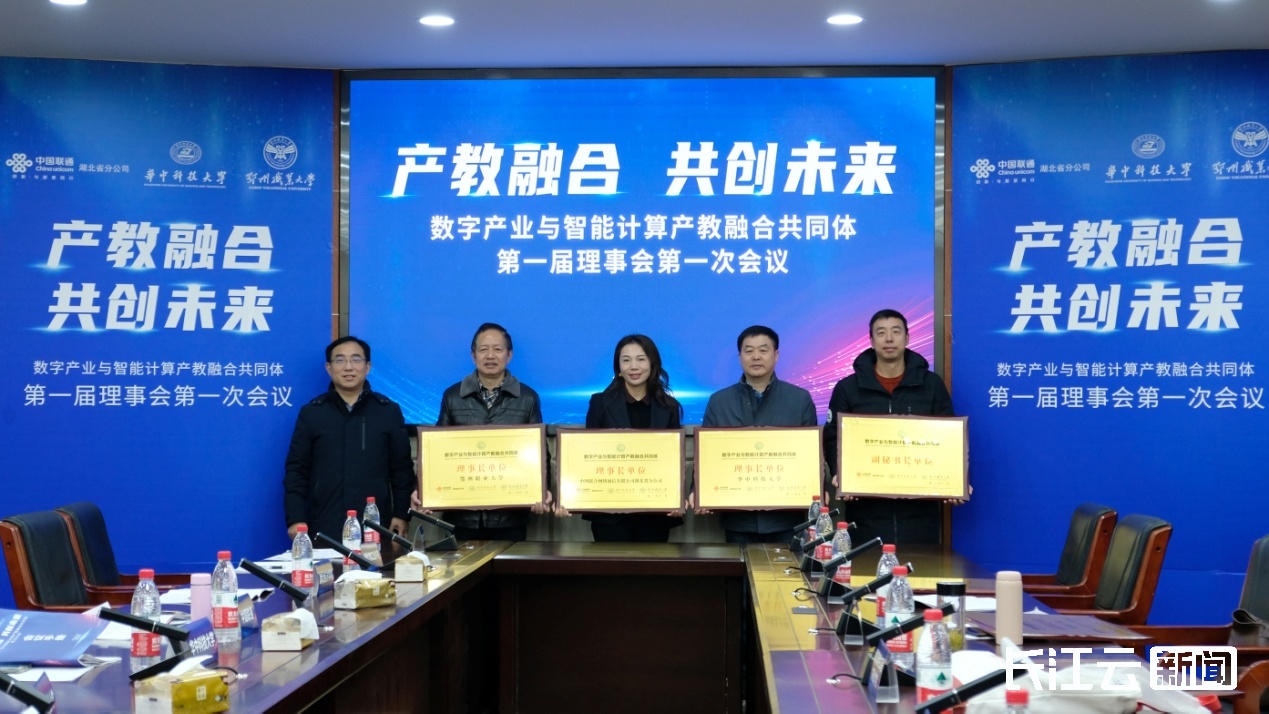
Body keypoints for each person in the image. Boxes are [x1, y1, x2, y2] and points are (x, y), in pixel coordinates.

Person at [822, 309, 956, 546]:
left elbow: (949, 437)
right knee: (867, 565)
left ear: (907, 338)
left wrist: (955, 479)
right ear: (871, 341)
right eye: (881, 333)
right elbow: (833, 437)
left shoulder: (931, 384)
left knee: (920, 566)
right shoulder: (848, 387)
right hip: (866, 509)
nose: (889, 339)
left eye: (896, 332)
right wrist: (839, 473)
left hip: (920, 512)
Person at [283, 336, 413, 541]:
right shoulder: (312, 413)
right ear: (329, 368)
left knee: (376, 563)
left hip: (375, 523)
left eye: (356, 359)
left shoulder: (388, 411)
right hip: (325, 522)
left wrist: (401, 514)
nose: (348, 367)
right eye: (340, 360)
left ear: (368, 367)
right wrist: (295, 518)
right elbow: (297, 471)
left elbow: (402, 470)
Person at [700, 325, 818, 545]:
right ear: (740, 356)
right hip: (738, 518)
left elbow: (812, 456)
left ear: (776, 355)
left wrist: (818, 487)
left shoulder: (799, 399)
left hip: (786, 517)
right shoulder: (719, 401)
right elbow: (705, 455)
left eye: (763, 350)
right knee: (740, 568)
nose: (756, 356)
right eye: (749, 351)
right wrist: (697, 491)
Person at [427, 322, 545, 542]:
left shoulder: (528, 398)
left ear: (509, 355)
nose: (490, 355)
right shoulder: (452, 396)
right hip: (462, 516)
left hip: (510, 516)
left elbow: (540, 454)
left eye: (497, 349)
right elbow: (437, 453)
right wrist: (426, 491)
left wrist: (541, 491)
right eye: (483, 349)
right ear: (473, 355)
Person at [564, 334, 684, 542]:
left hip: (654, 512)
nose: (633, 366)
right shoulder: (600, 403)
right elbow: (588, 457)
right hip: (610, 513)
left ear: (652, 363)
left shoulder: (669, 406)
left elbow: (674, 460)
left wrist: (676, 498)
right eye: (626, 360)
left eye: (641, 359)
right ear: (618, 367)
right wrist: (569, 495)